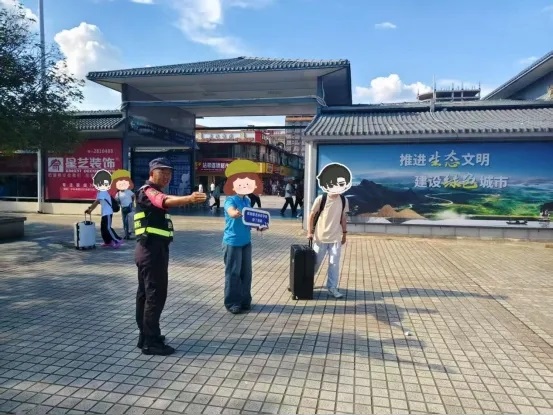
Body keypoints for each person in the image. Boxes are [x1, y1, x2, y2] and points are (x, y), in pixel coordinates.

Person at [134, 157, 206, 355]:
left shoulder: (152, 192)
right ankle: (151, 342)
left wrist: (186, 198)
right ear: (152, 173)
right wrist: (189, 199)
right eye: (162, 172)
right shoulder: (148, 191)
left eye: (169, 173)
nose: (166, 176)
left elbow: (165, 198)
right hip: (151, 251)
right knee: (154, 296)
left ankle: (146, 336)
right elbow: (163, 200)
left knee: (146, 295)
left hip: (151, 250)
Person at [222, 160, 265, 314]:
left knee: (246, 273)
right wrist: (234, 213)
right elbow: (231, 211)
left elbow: (249, 219)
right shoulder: (230, 200)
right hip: (232, 241)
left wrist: (259, 225)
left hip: (246, 241)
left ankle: (245, 300)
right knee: (233, 273)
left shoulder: (246, 200)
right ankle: (232, 303)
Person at [307, 162, 352, 299]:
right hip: (320, 237)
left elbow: (343, 217)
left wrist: (344, 234)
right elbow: (311, 215)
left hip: (335, 238)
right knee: (315, 263)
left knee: (334, 264)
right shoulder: (321, 199)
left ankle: (332, 288)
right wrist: (310, 232)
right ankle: (306, 283)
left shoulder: (343, 200)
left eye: (343, 183)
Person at [85, 169, 122, 248]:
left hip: (108, 213)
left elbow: (96, 202)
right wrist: (90, 210)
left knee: (108, 228)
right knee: (103, 228)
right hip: (104, 213)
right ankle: (108, 242)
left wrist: (90, 209)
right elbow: (97, 202)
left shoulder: (103, 192)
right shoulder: (100, 192)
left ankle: (117, 240)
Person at [111, 169, 136, 239]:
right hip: (123, 208)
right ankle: (126, 234)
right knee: (124, 222)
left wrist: (133, 203)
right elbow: (117, 201)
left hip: (129, 208)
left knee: (129, 221)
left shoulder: (128, 191)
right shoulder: (118, 194)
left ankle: (129, 233)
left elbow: (134, 196)